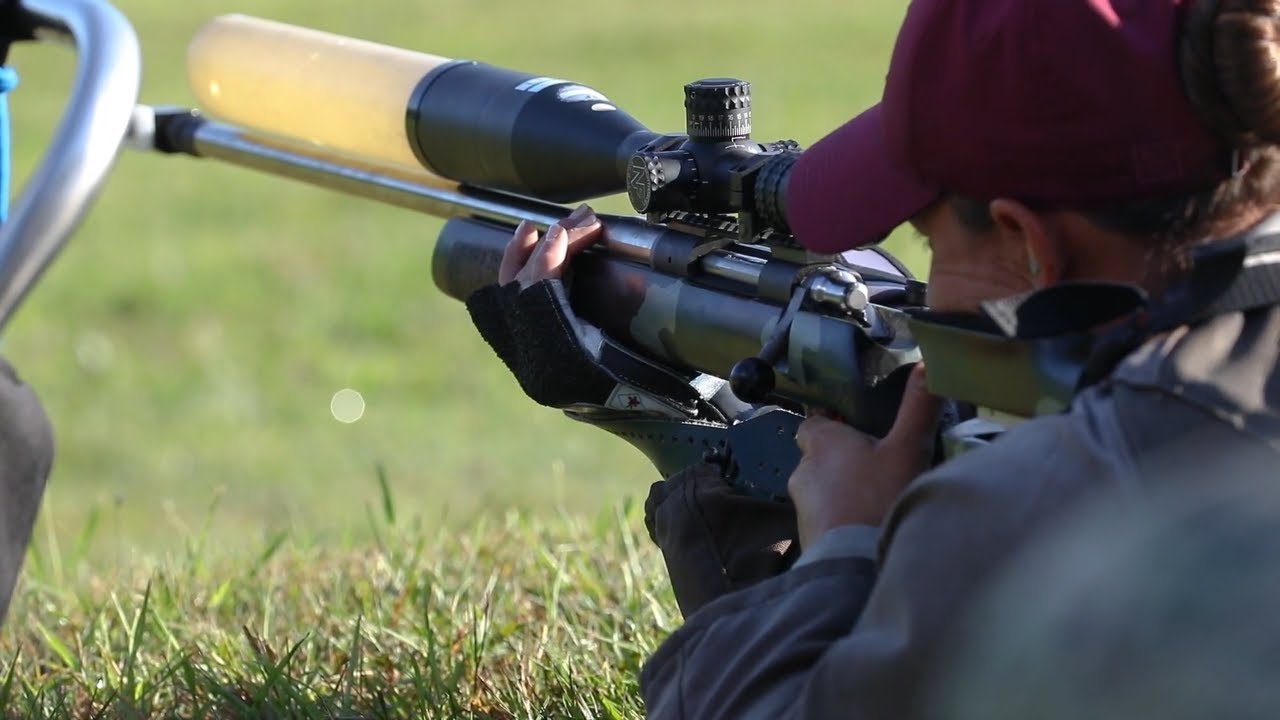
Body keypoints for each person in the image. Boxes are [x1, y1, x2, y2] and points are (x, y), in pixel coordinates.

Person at [474, 0, 1280, 717]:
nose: (923, 289)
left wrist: (841, 549)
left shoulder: (1048, 494)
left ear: (1031, 248)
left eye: (929, 243)